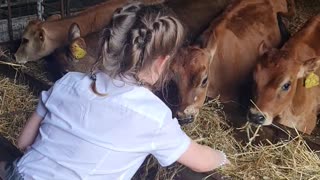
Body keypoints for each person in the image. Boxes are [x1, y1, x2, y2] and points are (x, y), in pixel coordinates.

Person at [1, 3, 229, 180]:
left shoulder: (69, 82)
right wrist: (223, 158)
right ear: (161, 63)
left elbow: (22, 143)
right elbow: (201, 161)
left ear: (108, 45)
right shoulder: (153, 116)